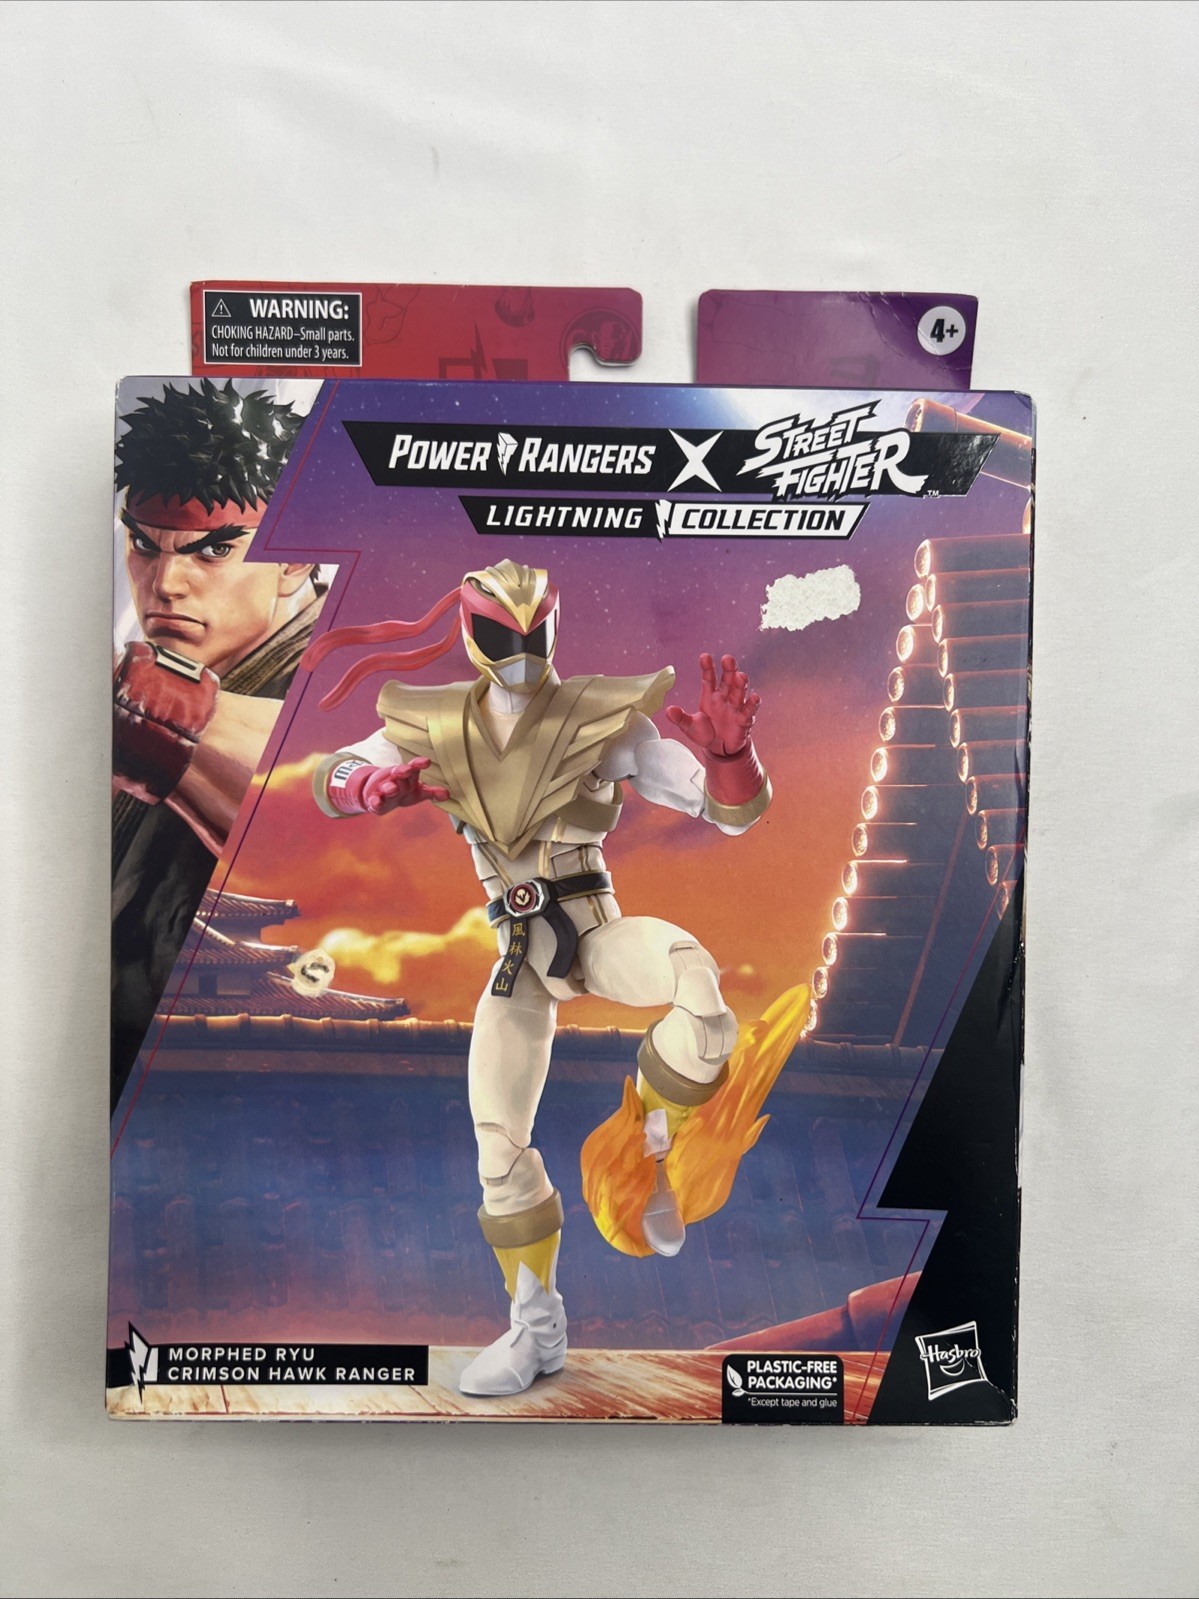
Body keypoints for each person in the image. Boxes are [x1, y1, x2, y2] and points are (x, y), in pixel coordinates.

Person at [304, 559, 770, 1397]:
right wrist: (369, 784)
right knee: (497, 1144)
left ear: (552, 625)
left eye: (534, 631)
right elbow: (331, 775)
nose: (520, 650)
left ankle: (651, 1135)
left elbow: (723, 808)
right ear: (470, 631)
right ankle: (536, 1328)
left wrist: (732, 754)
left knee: (696, 987)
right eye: (500, 632)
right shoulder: (434, 721)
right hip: (517, 955)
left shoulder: (601, 714)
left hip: (593, 929)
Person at [111, 380, 324, 1109]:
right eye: (144, 545)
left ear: (296, 558)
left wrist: (145, 705)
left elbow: (329, 779)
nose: (165, 583)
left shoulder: (345, 675)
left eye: (214, 550)